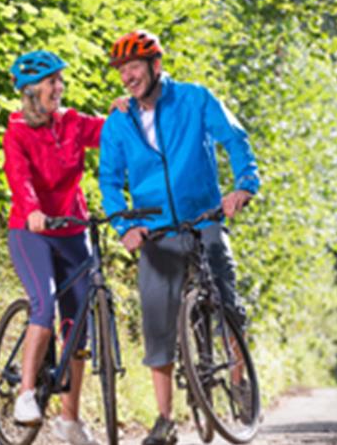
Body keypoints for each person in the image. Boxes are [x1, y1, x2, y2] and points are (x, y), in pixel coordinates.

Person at [98, 31, 260, 445]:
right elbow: (110, 181)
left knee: (225, 299)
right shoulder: (119, 121)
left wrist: (243, 184)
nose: (127, 77)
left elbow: (234, 137)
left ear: (155, 66)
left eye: (134, 67)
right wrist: (124, 226)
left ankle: (238, 378)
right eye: (121, 70)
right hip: (155, 229)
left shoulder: (194, 98)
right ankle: (165, 419)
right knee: (156, 320)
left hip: (202, 216)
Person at [2, 50, 103, 445]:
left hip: (73, 230)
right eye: (50, 82)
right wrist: (32, 211)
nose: (58, 88)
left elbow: (110, 134)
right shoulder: (17, 132)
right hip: (32, 232)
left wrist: (127, 114)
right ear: (31, 92)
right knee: (43, 304)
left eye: (60, 81)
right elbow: (19, 177)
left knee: (79, 325)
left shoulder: (73, 123)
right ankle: (26, 394)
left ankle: (69, 421)